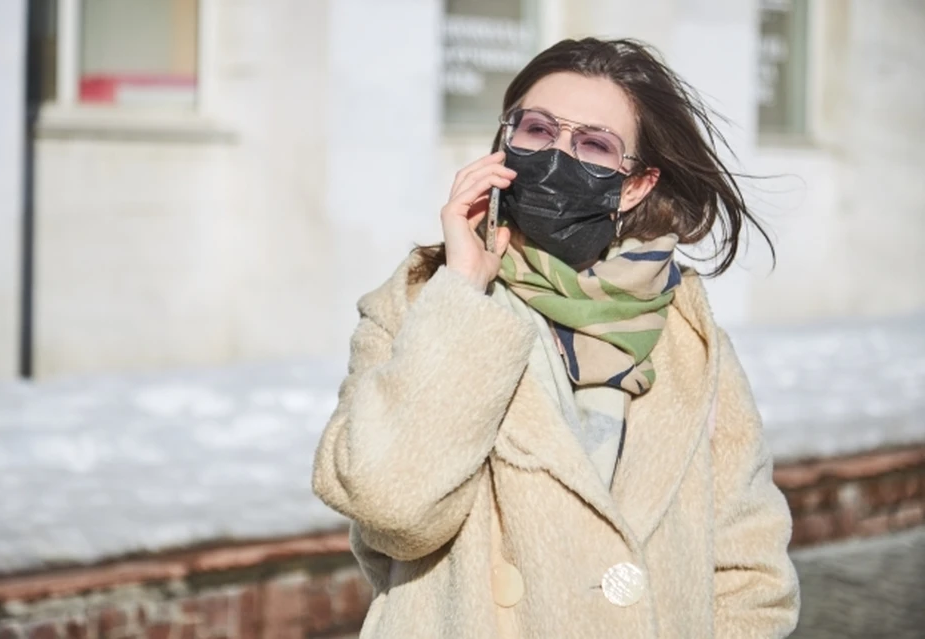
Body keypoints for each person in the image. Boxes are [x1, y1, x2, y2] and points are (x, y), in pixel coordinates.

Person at [312, 37, 800, 638]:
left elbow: (750, 575)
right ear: (503, 144)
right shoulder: (422, 305)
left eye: (593, 144)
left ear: (635, 184)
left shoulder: (687, 338)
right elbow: (392, 510)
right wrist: (464, 292)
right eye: (537, 130)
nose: (556, 156)